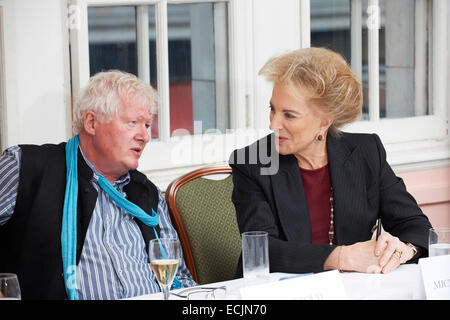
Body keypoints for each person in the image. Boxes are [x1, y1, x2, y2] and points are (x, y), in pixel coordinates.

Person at [229, 47, 432, 276]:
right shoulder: (252, 162)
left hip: (353, 289)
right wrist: (343, 257)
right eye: (272, 109)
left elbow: (416, 226)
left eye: (289, 115)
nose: (273, 124)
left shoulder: (366, 152)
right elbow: (263, 250)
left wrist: (403, 250)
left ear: (325, 122)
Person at [0, 70, 196, 299]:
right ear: (92, 123)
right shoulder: (26, 167)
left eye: (147, 125)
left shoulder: (147, 193)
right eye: (132, 122)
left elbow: (180, 281)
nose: (145, 136)